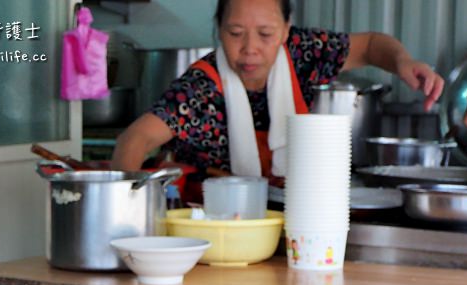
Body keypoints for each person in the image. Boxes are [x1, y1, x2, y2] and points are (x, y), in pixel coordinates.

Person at [111, 0, 444, 177]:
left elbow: (371, 45)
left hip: (290, 214)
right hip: (213, 227)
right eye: (235, 33)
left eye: (266, 34)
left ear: (286, 30)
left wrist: (402, 61)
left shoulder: (302, 51)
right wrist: (123, 207)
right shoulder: (200, 88)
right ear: (219, 29)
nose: (250, 48)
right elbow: (135, 139)